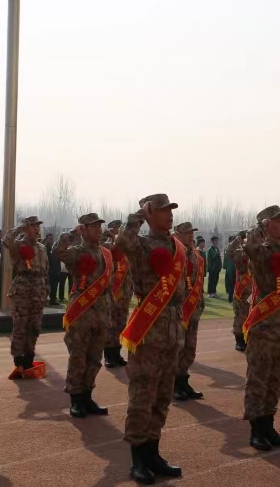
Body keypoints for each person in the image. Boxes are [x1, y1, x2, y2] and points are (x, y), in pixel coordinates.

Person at [115, 194, 185, 483]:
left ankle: (153, 453)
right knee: (143, 395)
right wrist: (137, 216)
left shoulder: (176, 247)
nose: (170, 214)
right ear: (151, 212)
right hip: (148, 329)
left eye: (171, 210)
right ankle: (138, 459)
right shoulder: (141, 245)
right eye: (164, 210)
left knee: (163, 396)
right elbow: (122, 242)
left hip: (172, 330)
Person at [241, 205, 280, 451]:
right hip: (264, 326)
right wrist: (258, 228)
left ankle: (269, 426)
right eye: (276, 220)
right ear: (266, 225)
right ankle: (256, 430)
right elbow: (249, 248)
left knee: (275, 379)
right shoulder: (260, 251)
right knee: (259, 379)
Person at [54, 213, 112, 418]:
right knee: (78, 356)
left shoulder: (106, 253)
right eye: (93, 226)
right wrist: (71, 234)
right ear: (83, 229)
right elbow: (58, 252)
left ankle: (88, 396)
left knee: (95, 358)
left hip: (101, 311)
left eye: (99, 226)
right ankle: (76, 399)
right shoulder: (77, 252)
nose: (98, 230)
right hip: (82, 310)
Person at [2, 216, 48, 375]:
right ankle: (18, 361)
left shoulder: (42, 247)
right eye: (33, 226)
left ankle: (29, 360)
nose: (36, 229)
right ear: (26, 228)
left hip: (38, 289)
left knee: (34, 327)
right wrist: (20, 228)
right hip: (22, 289)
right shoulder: (18, 245)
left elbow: (46, 271)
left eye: (38, 226)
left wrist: (46, 291)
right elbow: (6, 241)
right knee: (20, 326)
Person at [174, 222, 206, 401]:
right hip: (179, 310)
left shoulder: (195, 255)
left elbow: (198, 281)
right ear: (177, 234)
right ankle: (173, 385)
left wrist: (201, 301)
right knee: (177, 348)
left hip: (193, 308)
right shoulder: (173, 253)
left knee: (189, 348)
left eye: (192, 233)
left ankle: (183, 381)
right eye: (187, 233)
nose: (190, 236)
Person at [101, 220, 132, 369]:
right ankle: (109, 355)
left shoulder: (126, 248)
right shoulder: (108, 245)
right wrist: (107, 235)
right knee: (110, 325)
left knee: (120, 324)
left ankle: (117, 353)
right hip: (112, 293)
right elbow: (100, 247)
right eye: (118, 229)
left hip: (125, 294)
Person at [226, 230, 250, 351]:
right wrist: (238, 239)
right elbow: (229, 253)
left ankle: (249, 339)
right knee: (241, 317)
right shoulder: (241, 253)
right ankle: (239, 341)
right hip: (243, 291)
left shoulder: (260, 252)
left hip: (256, 292)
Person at [45, 233, 62, 306]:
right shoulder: (44, 248)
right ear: (46, 239)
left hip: (55, 270)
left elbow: (58, 259)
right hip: (48, 271)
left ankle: (53, 300)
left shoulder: (54, 248)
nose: (51, 240)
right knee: (46, 287)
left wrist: (58, 268)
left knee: (54, 286)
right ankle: (45, 300)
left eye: (52, 239)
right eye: (50, 239)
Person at [224, 235, 237, 302]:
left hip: (234, 268)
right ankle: (230, 298)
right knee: (231, 283)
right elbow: (226, 259)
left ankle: (233, 298)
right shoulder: (229, 249)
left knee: (234, 284)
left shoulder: (236, 248)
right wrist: (225, 266)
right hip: (231, 268)